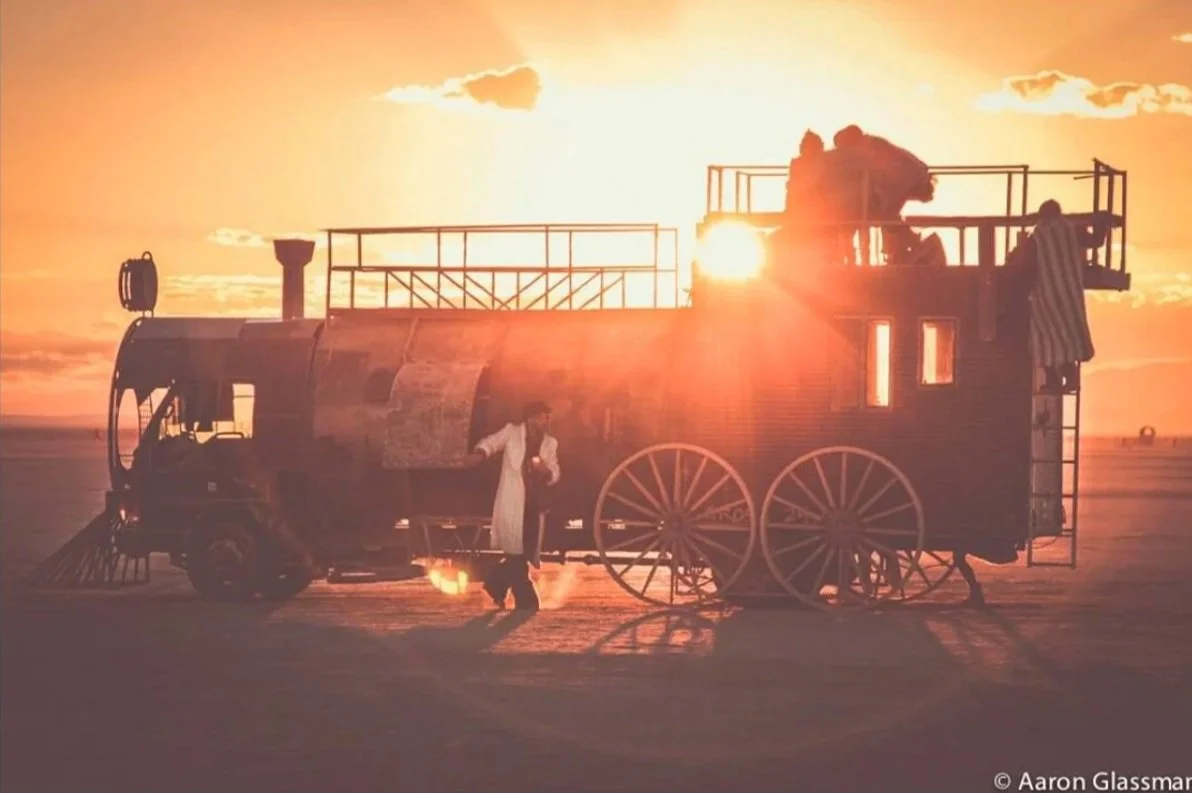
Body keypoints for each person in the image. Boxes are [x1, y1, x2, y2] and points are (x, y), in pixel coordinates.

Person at [463, 401, 560, 611]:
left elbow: (555, 470)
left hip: (533, 506)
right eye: (543, 417)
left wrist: (546, 471)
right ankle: (527, 601)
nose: (546, 421)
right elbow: (492, 443)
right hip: (512, 502)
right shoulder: (511, 433)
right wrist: (479, 454)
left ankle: (495, 583)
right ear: (531, 418)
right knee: (516, 552)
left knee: (524, 551)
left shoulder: (550, 443)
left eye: (547, 418)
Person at [1023, 200, 1096, 393]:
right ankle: (1070, 379)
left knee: (1042, 339)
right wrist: (1101, 223)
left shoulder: (1037, 236)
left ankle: (1053, 381)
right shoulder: (1072, 231)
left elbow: (1027, 264)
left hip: (1045, 295)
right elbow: (1096, 241)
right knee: (1068, 337)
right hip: (1069, 294)